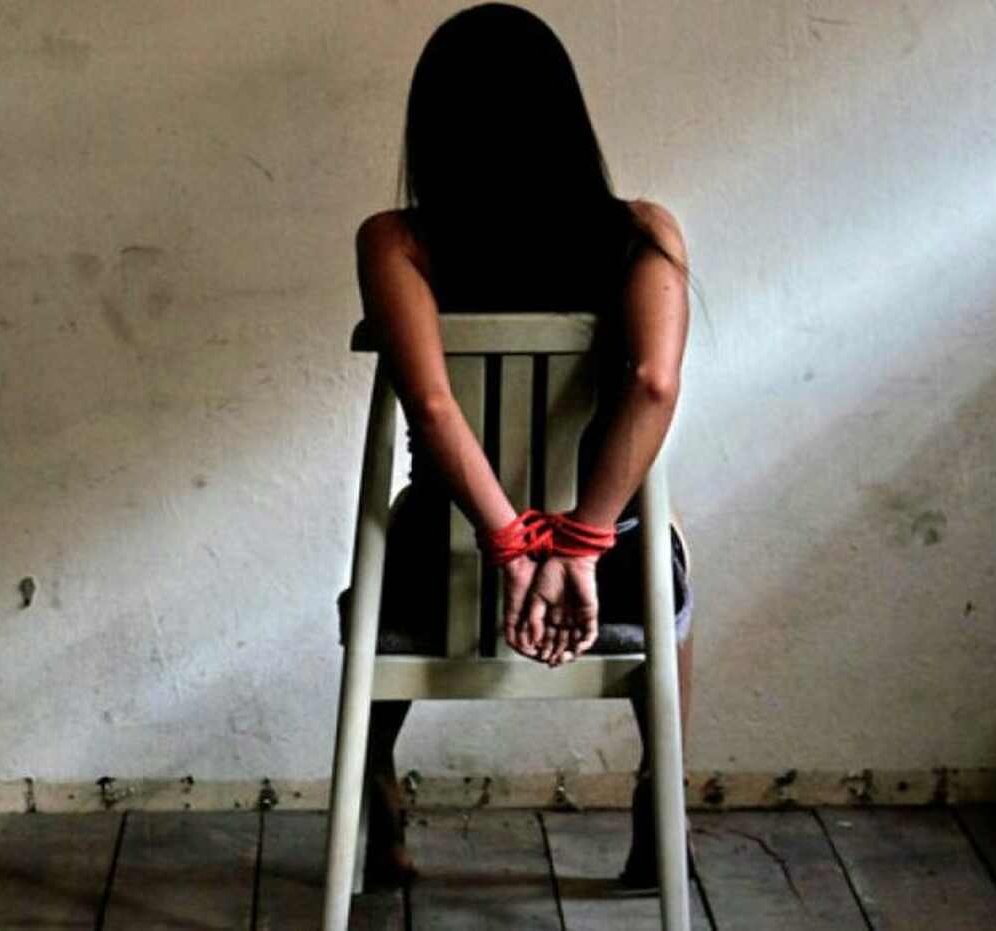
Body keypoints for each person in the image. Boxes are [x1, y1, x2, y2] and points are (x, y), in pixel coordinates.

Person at [340, 2, 698, 895]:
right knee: (670, 571)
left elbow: (430, 402)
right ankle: (661, 795)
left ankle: (374, 783)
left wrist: (507, 545)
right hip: (609, 568)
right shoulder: (644, 232)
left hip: (441, 567)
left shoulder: (395, 242)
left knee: (382, 573)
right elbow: (654, 383)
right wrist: (579, 544)